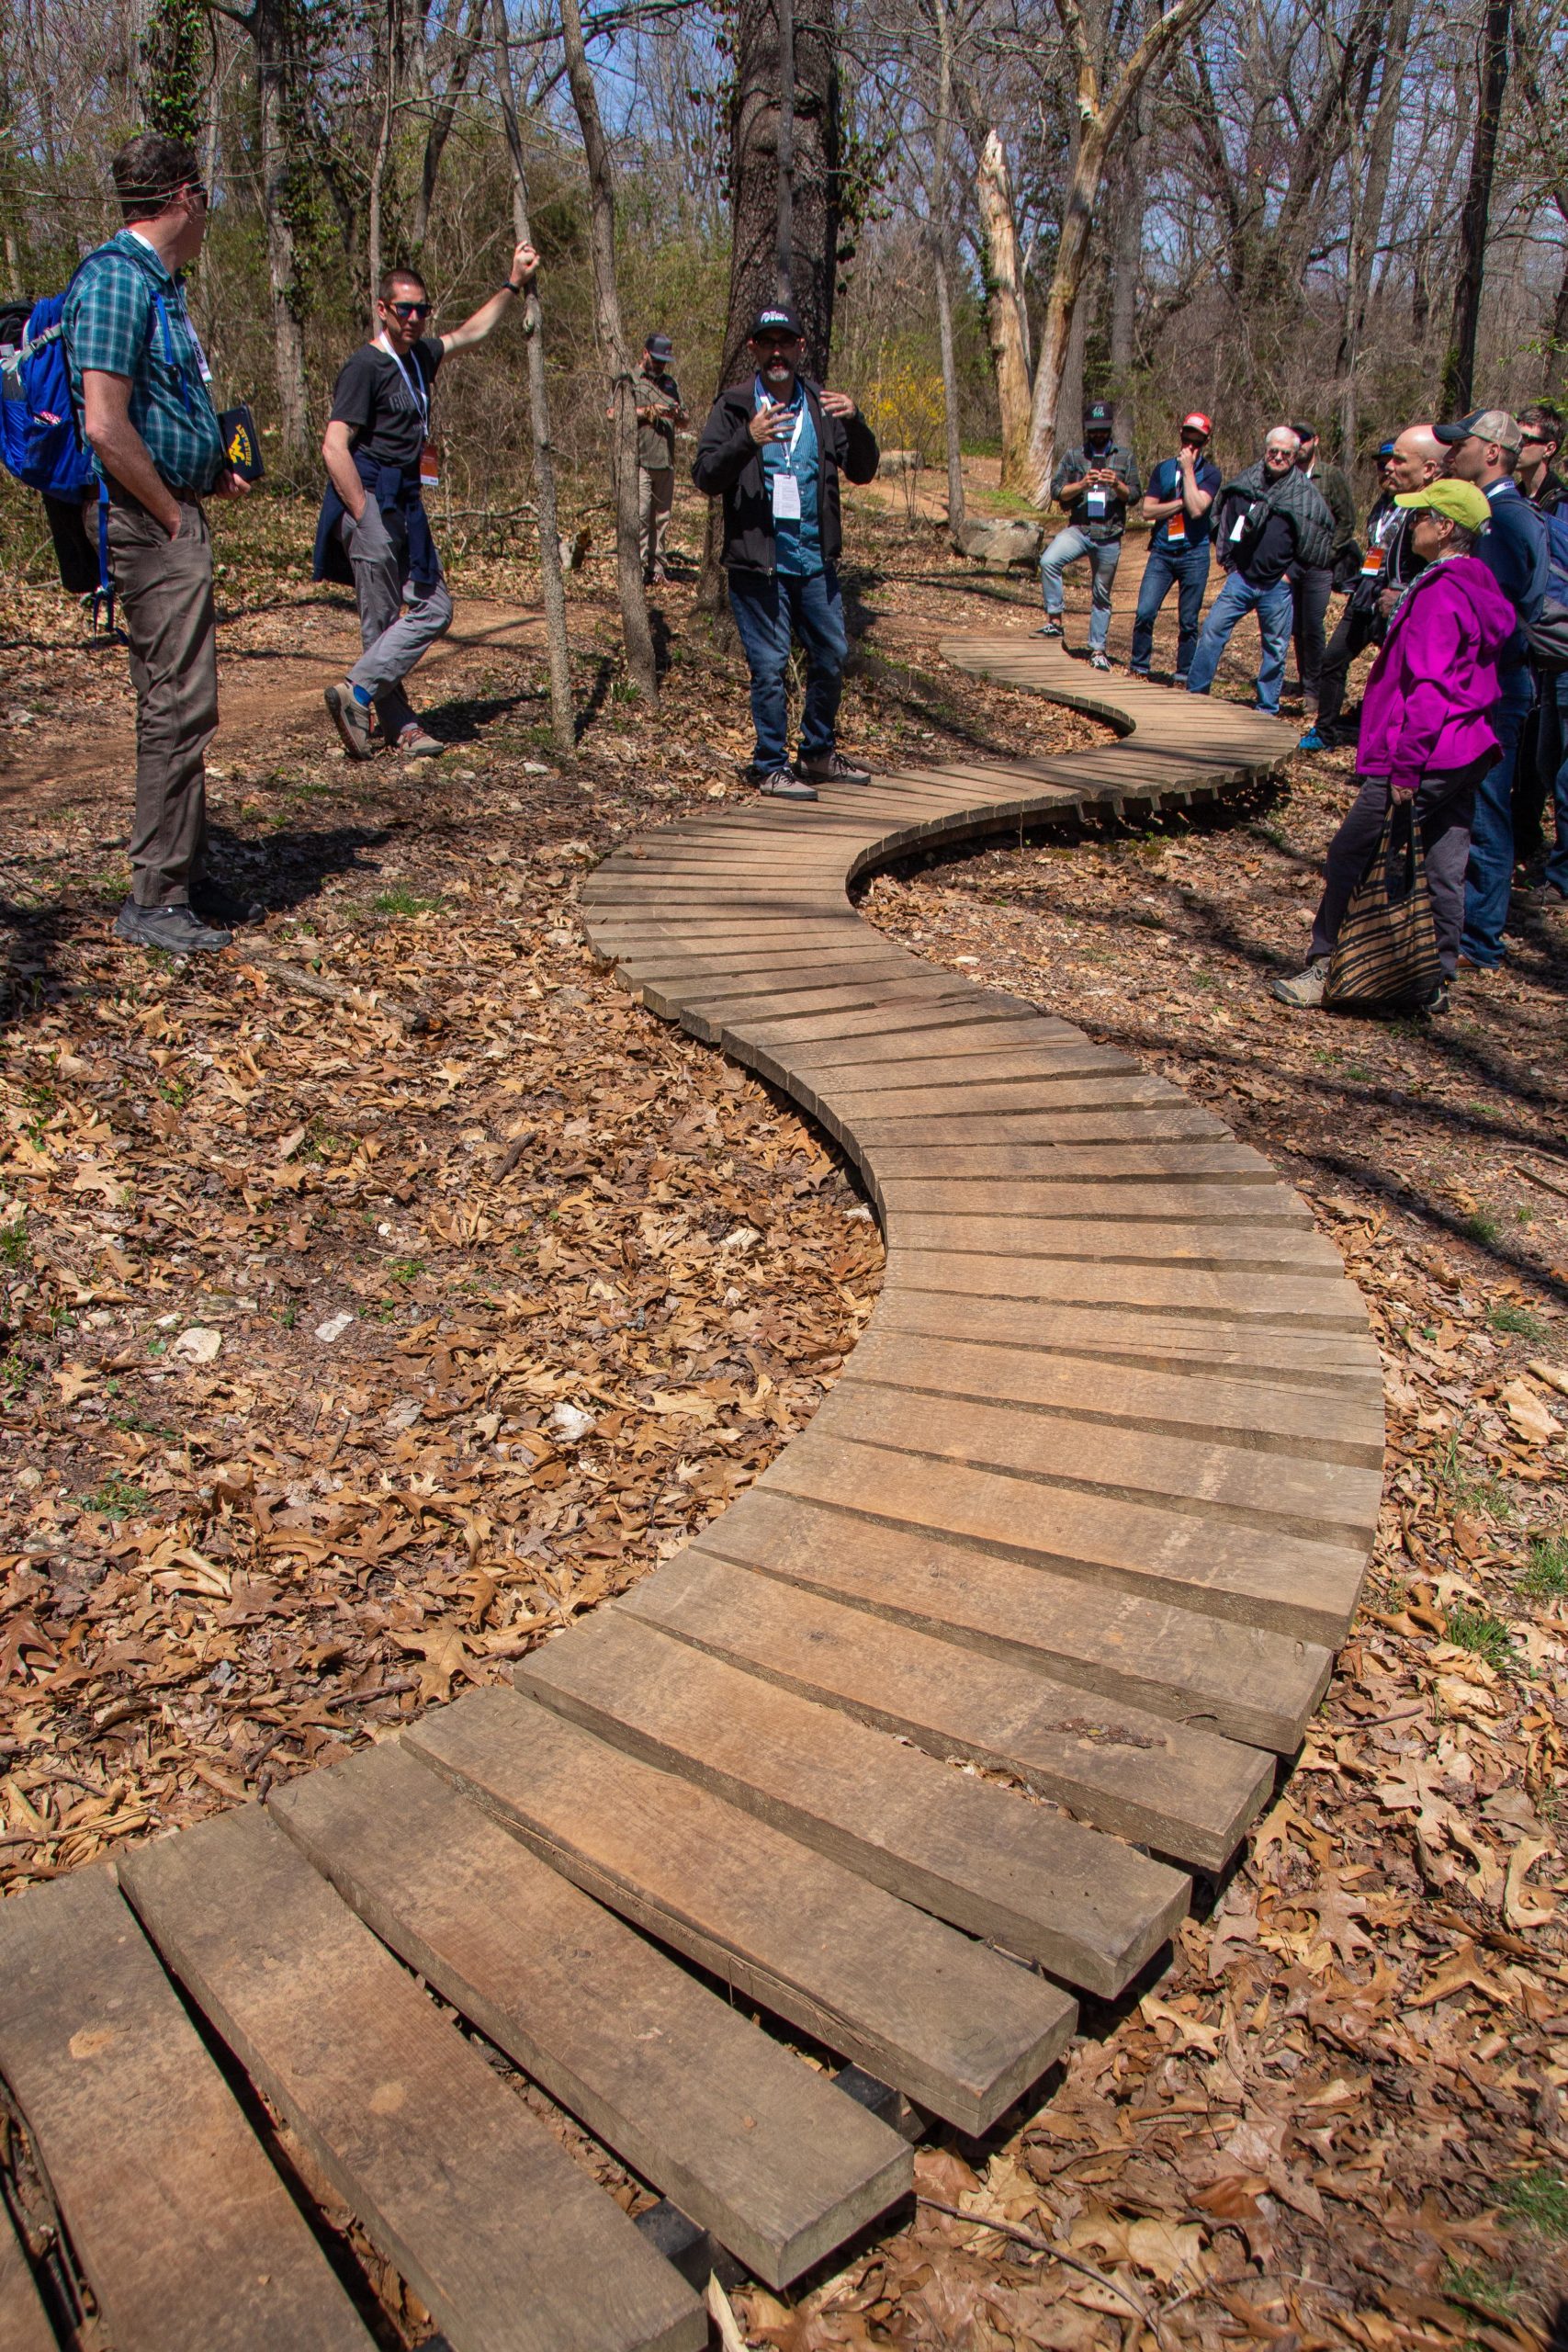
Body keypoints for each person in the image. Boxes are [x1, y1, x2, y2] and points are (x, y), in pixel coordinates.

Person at [63, 133, 250, 956]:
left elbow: (158, 412)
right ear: (181, 197)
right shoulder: (113, 281)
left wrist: (209, 471)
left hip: (174, 506)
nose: (206, 214)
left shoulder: (157, 287)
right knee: (178, 705)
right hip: (148, 521)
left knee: (180, 699)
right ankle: (156, 897)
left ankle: (182, 868)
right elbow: (104, 424)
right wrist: (171, 515)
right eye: (202, 198)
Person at [1271, 480, 1513, 1014]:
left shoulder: (1443, 593)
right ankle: (1435, 977)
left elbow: (1429, 687)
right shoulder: (1477, 583)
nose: (1410, 524)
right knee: (1445, 860)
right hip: (1467, 749)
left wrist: (1405, 768)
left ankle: (1328, 966)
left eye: (1421, 515)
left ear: (1446, 527)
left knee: (1351, 853)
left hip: (1426, 753)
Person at [318, 245, 537, 763]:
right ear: (382, 309)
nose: (414, 318)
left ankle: (360, 692)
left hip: (408, 506)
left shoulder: (420, 358)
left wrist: (511, 283)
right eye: (404, 309)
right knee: (380, 622)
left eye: (421, 309)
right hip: (370, 501)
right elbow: (333, 445)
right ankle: (400, 725)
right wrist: (363, 515)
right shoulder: (365, 366)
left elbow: (470, 334)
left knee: (432, 607)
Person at [693, 304, 879, 803]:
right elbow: (706, 474)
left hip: (814, 560)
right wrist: (747, 440)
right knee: (771, 666)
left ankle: (817, 752)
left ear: (800, 348)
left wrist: (857, 422)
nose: (777, 351)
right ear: (754, 349)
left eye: (786, 342)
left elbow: (863, 469)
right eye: (767, 342)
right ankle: (771, 764)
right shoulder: (734, 406)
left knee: (833, 655)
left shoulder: (822, 404)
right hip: (760, 564)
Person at [1437, 410, 1551, 969]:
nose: (1453, 454)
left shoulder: (1502, 522)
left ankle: (1479, 938)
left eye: (1463, 445)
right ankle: (1473, 932)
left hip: (1493, 688)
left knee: (1484, 810)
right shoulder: (1507, 515)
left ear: (1491, 454)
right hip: (1496, 685)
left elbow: (1494, 614)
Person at [1301, 425, 1443, 752]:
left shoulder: (1423, 508)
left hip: (1398, 598)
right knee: (1334, 658)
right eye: (1382, 464)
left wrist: (1403, 592)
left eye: (1395, 462)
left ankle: (1388, 738)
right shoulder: (1381, 505)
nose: (1387, 470)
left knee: (1394, 671)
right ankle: (1325, 731)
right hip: (1366, 593)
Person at [1186, 428, 1335, 713]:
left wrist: (1291, 573)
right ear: (1265, 451)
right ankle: (1195, 694)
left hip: (1277, 585)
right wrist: (1229, 562)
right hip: (1241, 579)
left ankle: (1267, 708)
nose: (1278, 457)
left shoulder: (1305, 495)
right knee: (1211, 634)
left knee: (1275, 650)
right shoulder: (1245, 483)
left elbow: (1320, 537)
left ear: (1295, 456)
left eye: (1285, 453)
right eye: (1273, 452)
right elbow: (1223, 519)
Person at [1037, 401, 1140, 671]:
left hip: (1109, 534)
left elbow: (1135, 496)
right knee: (1049, 561)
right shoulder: (1073, 456)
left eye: (1102, 430)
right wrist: (1082, 484)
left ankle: (1097, 651)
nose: (1097, 435)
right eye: (1093, 430)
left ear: (1109, 429)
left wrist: (1115, 484)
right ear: (1086, 429)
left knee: (1101, 594)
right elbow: (1057, 491)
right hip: (1079, 529)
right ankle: (1055, 622)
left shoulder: (1124, 457)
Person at [1129, 413, 1221, 684]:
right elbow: (1147, 510)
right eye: (1187, 437)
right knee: (1145, 611)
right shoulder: (1163, 469)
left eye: (1198, 440)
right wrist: (1180, 503)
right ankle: (1139, 666)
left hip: (1195, 552)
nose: (1190, 445)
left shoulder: (1211, 473)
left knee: (1189, 620)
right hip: (1162, 552)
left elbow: (1197, 508)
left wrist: (1190, 471)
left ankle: (1183, 674)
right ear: (1180, 435)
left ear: (1205, 442)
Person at [1289, 424, 1358, 718]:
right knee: (1295, 627)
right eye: (1296, 440)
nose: (1300, 445)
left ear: (1315, 440)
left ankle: (1313, 691)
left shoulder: (1330, 476)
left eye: (1304, 439)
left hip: (1320, 565)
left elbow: (1347, 519)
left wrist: (1330, 552)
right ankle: (1306, 681)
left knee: (1313, 626)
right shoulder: (1286, 474)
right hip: (1290, 564)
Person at [632, 333, 686, 583]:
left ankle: (657, 568)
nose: (661, 365)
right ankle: (639, 568)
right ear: (645, 353)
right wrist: (649, 412)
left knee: (661, 518)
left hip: (666, 460)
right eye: (657, 359)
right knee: (642, 516)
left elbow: (686, 418)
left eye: (664, 361)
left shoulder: (670, 384)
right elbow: (614, 414)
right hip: (640, 460)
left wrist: (677, 415)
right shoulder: (631, 380)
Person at [1517, 404, 1566, 514]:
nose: (1516, 444)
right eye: (1516, 437)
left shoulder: (1562, 504)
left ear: (1549, 449)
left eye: (1525, 439)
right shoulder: (1513, 495)